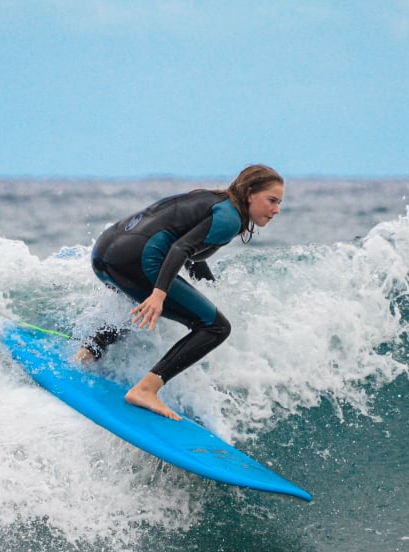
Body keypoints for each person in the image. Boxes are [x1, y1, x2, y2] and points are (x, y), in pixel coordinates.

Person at [82, 164, 284, 420]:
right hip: (136, 260)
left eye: (279, 203)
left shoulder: (213, 201)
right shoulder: (230, 218)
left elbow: (191, 253)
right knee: (216, 328)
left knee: (139, 300)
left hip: (105, 254)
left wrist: (211, 288)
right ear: (250, 193)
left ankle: (89, 352)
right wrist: (159, 293)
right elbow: (181, 250)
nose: (276, 210)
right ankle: (146, 389)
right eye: (272, 201)